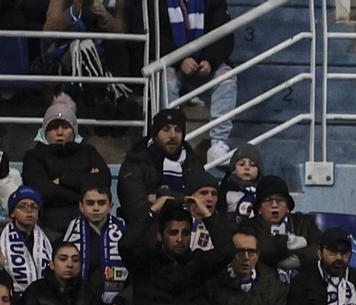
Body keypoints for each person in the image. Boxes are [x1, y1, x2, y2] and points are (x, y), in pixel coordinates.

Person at [156, 0, 240, 171]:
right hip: (171, 61)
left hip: (204, 63)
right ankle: (169, 142)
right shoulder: (157, 3)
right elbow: (156, 37)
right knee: (167, 79)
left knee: (227, 76)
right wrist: (180, 59)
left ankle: (218, 143)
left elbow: (224, 35)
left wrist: (210, 60)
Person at [21, 99, 111, 241]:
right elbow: (41, 191)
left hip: (90, 226)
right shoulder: (33, 156)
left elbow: (103, 180)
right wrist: (83, 191)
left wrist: (63, 180)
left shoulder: (88, 152)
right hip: (49, 228)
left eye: (65, 126)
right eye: (53, 127)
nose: (60, 132)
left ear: (74, 129)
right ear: (44, 130)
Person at [207, 224, 289, 305]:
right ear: (229, 254)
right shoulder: (213, 285)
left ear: (258, 255)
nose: (246, 257)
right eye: (239, 251)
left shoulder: (275, 287)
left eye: (251, 251)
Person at [118, 107, 198, 224]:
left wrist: (158, 197)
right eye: (166, 129)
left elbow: (201, 202)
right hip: (146, 231)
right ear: (155, 134)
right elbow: (135, 208)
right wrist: (183, 199)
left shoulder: (191, 161)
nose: (172, 135)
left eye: (178, 130)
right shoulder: (136, 162)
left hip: (187, 229)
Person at [64, 185, 128, 305]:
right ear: (81, 206)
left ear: (111, 205)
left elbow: (136, 275)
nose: (96, 208)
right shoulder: (69, 233)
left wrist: (119, 303)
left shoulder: (125, 234)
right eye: (90, 203)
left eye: (101, 203)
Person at [247, 176, 317, 274]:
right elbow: (261, 250)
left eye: (280, 200)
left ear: (287, 205)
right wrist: (288, 242)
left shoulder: (303, 222)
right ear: (259, 207)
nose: (275, 205)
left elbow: (319, 248)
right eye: (268, 200)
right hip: (263, 283)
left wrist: (297, 259)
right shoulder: (249, 226)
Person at [0, 189, 54, 294]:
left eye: (34, 206)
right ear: (12, 213)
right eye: (22, 206)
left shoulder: (51, 238)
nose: (29, 210)